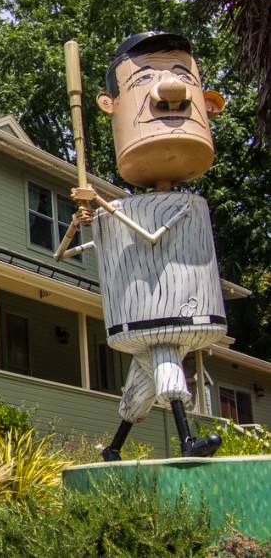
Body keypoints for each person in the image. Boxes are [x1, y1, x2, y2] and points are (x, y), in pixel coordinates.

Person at [58, 31, 226, 461]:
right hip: (146, 310)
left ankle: (113, 449)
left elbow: (151, 234)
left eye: (180, 75)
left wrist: (99, 204)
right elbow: (63, 253)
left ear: (206, 103)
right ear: (110, 105)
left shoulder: (188, 206)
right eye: (146, 78)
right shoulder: (135, 211)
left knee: (141, 384)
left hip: (177, 309)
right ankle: (186, 440)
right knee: (164, 362)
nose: (170, 89)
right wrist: (83, 218)